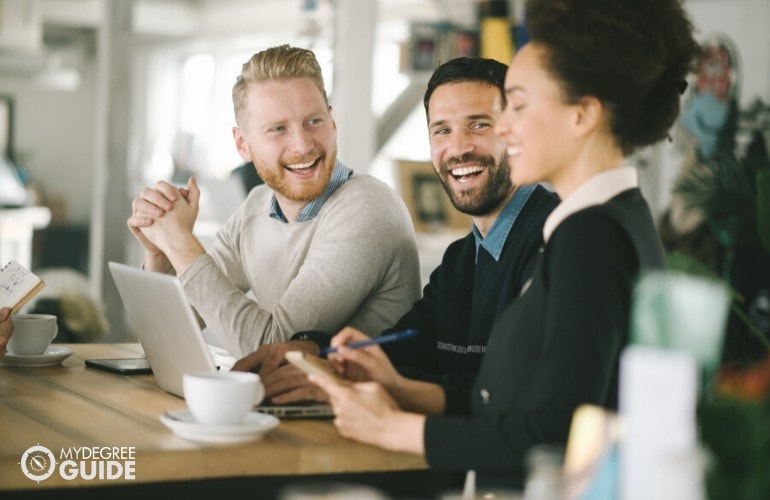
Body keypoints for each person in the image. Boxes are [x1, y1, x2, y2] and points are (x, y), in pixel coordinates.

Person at [308, 0, 699, 490]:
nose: (505, 127)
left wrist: (396, 428)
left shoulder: (591, 237)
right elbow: (516, 402)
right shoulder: (607, 221)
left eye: (519, 105)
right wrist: (402, 389)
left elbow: (555, 434)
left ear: (581, 115)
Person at [233, 57, 558, 403]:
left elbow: (519, 396)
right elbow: (405, 349)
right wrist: (313, 352)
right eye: (442, 130)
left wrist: (358, 385)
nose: (459, 147)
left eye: (479, 125)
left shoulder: (558, 238)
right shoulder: (461, 260)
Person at [127, 45, 421, 357]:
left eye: (313, 122)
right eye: (278, 129)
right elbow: (164, 334)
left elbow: (275, 350)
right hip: (282, 403)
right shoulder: (257, 206)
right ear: (243, 144)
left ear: (332, 124)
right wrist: (160, 255)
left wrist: (180, 244)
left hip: (362, 405)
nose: (303, 145)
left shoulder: (367, 208)